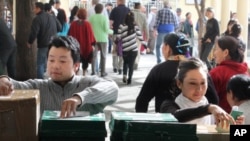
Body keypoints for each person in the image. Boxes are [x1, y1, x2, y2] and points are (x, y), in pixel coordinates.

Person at [0, 36, 119, 117]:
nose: (55, 66)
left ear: (76, 65)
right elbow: (15, 85)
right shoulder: (39, 87)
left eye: (62, 61)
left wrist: (80, 98)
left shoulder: (86, 83)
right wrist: (4, 80)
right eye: (51, 60)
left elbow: (112, 88)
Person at [135, 33, 218, 113]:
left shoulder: (158, 70)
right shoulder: (199, 69)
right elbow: (214, 100)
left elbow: (142, 101)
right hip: (199, 123)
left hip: (167, 122)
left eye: (163, 46)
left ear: (167, 48)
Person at [160, 57, 237, 125]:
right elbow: (175, 117)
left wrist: (230, 123)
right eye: (192, 83)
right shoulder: (169, 104)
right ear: (179, 83)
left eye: (203, 83)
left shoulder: (208, 101)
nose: (199, 89)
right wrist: (208, 108)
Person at [210, 36, 249, 113]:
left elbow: (210, 100)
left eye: (216, 49)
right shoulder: (245, 71)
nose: (214, 53)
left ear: (225, 52)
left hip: (221, 120)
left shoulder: (216, 73)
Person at [27, 2, 58, 79]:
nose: (33, 10)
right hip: (53, 43)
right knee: (49, 61)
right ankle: (49, 77)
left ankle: (40, 81)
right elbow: (58, 27)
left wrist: (29, 42)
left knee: (40, 63)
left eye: (34, 8)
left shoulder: (37, 19)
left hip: (43, 43)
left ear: (38, 8)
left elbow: (34, 32)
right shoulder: (51, 17)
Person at [117, 12, 144, 85]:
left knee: (125, 63)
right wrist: (145, 46)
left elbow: (118, 37)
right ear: (133, 19)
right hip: (134, 49)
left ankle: (124, 75)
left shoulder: (121, 26)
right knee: (131, 65)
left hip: (125, 49)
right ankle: (129, 79)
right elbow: (140, 38)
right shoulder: (135, 27)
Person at [68, 8, 96, 76]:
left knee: (75, 59)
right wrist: (92, 44)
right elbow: (91, 36)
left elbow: (69, 35)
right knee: (85, 60)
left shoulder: (73, 24)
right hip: (85, 46)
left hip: (75, 47)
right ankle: (84, 73)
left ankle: (76, 73)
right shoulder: (87, 24)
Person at [89, 4, 113, 77]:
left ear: (95, 10)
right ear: (102, 10)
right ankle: (103, 72)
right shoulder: (104, 18)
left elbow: (89, 28)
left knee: (94, 55)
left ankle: (93, 71)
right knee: (103, 56)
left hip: (93, 39)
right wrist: (112, 32)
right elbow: (106, 29)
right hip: (103, 38)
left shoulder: (91, 18)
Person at [110, 0, 130, 74]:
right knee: (123, 50)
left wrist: (111, 29)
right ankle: (121, 67)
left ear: (118, 1)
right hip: (125, 34)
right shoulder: (128, 10)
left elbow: (111, 23)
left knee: (115, 50)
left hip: (116, 33)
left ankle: (115, 67)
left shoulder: (114, 10)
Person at [131, 2, 149, 70]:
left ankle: (130, 63)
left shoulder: (129, 14)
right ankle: (136, 63)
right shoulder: (143, 15)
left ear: (134, 6)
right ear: (139, 7)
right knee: (137, 49)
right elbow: (146, 27)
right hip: (139, 35)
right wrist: (147, 36)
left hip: (129, 34)